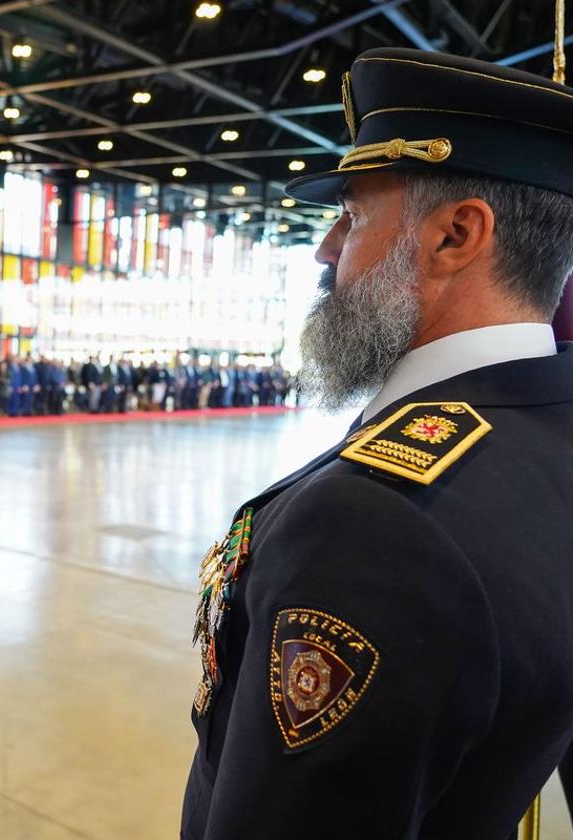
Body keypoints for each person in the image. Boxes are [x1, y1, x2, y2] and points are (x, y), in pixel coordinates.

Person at [180, 47, 573, 839]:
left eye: (354, 214)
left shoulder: (374, 526)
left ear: (455, 235)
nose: (326, 249)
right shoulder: (550, 429)